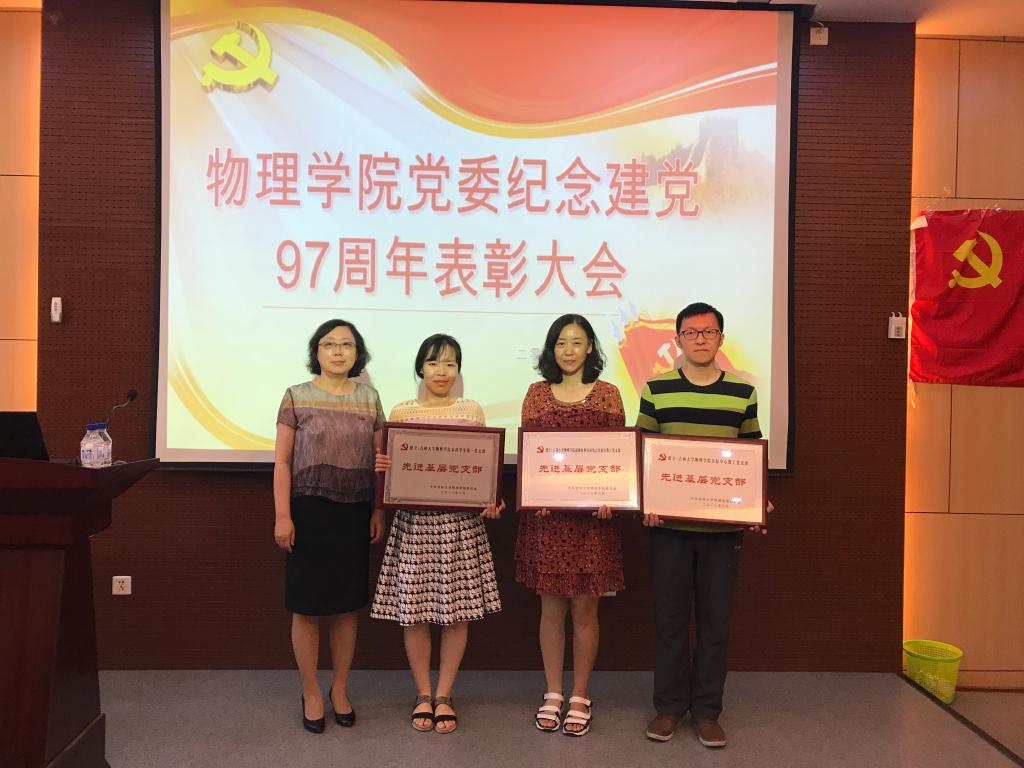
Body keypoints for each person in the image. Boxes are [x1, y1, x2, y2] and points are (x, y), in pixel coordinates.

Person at [637, 301, 771, 749]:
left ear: (720, 339)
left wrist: (756, 500)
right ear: (677, 340)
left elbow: (751, 453)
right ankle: (669, 708)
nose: (699, 339)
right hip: (669, 529)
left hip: (722, 532)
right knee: (670, 623)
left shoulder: (742, 392)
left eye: (708, 332)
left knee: (716, 624)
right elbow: (644, 453)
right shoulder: (656, 389)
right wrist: (647, 501)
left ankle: (708, 711)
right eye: (691, 333)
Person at [371, 334, 503, 734]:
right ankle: (422, 693)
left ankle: (444, 694)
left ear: (458, 370)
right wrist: (384, 468)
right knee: (414, 613)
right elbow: (393, 470)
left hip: (460, 525)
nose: (441, 371)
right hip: (414, 524)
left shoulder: (471, 410)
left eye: (450, 363)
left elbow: (484, 468)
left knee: (456, 613)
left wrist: (491, 498)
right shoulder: (402, 411)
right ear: (420, 368)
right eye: (433, 363)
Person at [514, 314, 625, 737]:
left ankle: (580, 694)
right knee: (551, 608)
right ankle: (553, 691)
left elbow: (618, 459)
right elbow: (530, 453)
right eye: (561, 342)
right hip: (548, 521)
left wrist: (613, 498)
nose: (569, 350)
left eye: (577, 342)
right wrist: (534, 493)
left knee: (584, 609)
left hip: (592, 524)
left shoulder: (609, 394)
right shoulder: (536, 394)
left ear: (590, 347)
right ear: (551, 348)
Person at [273, 319, 385, 734]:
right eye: (329, 344)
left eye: (347, 345)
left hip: (354, 513)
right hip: (307, 512)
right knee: (306, 607)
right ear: (316, 352)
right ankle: (311, 692)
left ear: (358, 353)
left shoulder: (369, 398)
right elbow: (282, 461)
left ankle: (339, 689)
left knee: (345, 607)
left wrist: (378, 511)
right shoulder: (296, 395)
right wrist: (283, 516)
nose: (338, 351)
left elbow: (381, 464)